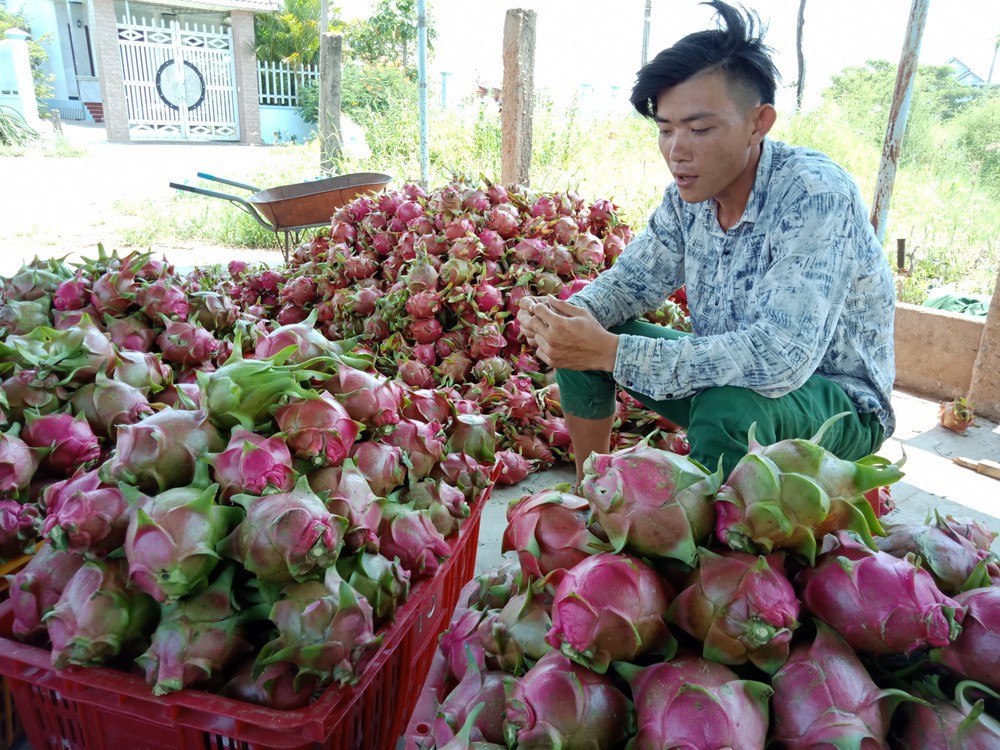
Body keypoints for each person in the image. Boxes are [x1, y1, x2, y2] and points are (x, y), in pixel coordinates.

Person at [517, 0, 896, 483]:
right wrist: (560, 318)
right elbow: (630, 282)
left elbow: (780, 357)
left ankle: (709, 528)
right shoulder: (688, 199)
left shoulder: (815, 194)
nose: (677, 151)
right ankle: (591, 487)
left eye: (699, 129)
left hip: (837, 402)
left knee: (728, 409)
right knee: (583, 333)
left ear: (759, 123)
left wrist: (610, 352)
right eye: (666, 130)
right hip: (730, 378)